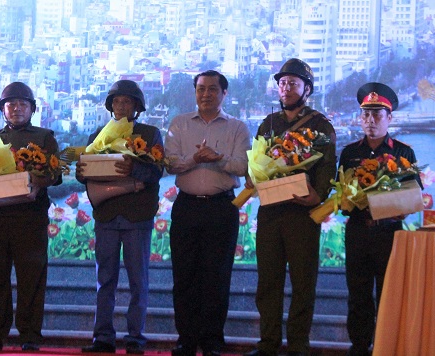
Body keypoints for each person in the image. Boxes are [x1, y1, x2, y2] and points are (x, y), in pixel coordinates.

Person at [244, 58, 337, 356]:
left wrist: (317, 195)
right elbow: (255, 163)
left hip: (303, 215)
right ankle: (268, 344)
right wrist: (253, 178)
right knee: (268, 282)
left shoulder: (321, 125)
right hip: (270, 213)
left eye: (293, 83)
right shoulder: (267, 123)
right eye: (282, 83)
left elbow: (327, 167)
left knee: (302, 284)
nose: (286, 88)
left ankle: (298, 346)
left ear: (306, 89)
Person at [0, 82, 61, 351]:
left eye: (22, 104)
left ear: (32, 109)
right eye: (11, 105)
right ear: (3, 110)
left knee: (31, 279)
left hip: (30, 218)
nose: (17, 109)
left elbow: (55, 175)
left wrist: (34, 179)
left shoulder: (44, 137)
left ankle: (30, 336)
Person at [164, 70, 250, 356]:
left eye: (213, 89)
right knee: (184, 276)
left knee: (217, 276)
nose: (206, 94)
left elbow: (243, 167)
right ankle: (186, 340)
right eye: (201, 89)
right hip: (187, 206)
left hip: (221, 207)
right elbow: (170, 164)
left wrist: (218, 159)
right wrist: (195, 159)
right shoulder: (179, 124)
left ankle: (212, 341)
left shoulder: (237, 128)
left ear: (224, 94)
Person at [77, 80, 163, 354]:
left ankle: (135, 339)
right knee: (105, 281)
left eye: (127, 101)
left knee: (139, 281)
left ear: (137, 107)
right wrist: (82, 173)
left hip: (137, 217)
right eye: (117, 101)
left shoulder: (150, 134)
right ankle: (102, 338)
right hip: (106, 217)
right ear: (110, 105)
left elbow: (157, 172)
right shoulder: (96, 136)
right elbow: (86, 177)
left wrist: (133, 167)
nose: (121, 106)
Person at [339, 82, 422, 356]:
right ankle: (359, 347)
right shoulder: (349, 153)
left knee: (389, 294)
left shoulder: (403, 152)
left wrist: (400, 207)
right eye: (365, 115)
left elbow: (414, 195)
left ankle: (388, 347)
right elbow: (342, 194)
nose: (370, 121)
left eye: (377, 115)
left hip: (389, 234)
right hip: (358, 233)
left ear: (390, 118)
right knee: (358, 295)